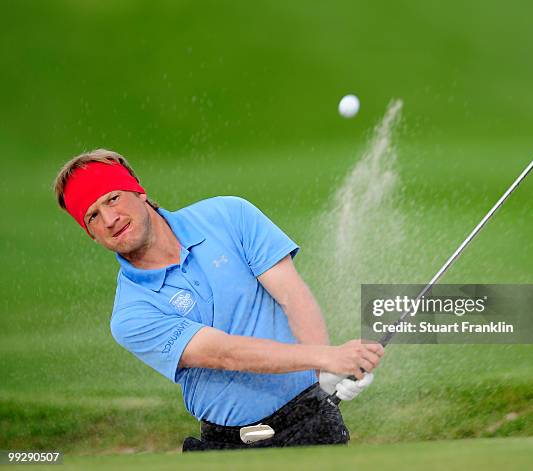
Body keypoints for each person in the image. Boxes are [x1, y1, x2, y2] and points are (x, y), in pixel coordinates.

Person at [53, 149, 384, 451]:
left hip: (311, 424)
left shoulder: (228, 215)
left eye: (112, 198)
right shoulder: (130, 314)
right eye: (93, 216)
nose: (110, 219)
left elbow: (291, 295)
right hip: (228, 447)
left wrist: (322, 376)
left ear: (139, 192)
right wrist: (326, 357)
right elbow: (225, 353)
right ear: (91, 234)